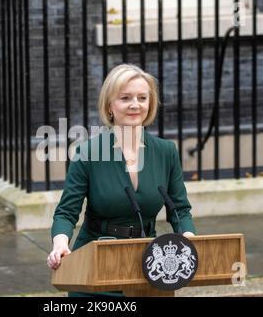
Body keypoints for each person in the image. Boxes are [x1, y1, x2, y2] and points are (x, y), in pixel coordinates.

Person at [47, 64, 196, 296]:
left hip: (149, 263)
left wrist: (188, 237)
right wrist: (60, 244)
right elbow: (66, 212)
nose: (135, 104)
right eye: (125, 98)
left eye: (142, 97)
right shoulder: (88, 152)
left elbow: (180, 209)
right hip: (96, 264)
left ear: (151, 103)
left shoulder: (166, 151)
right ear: (110, 105)